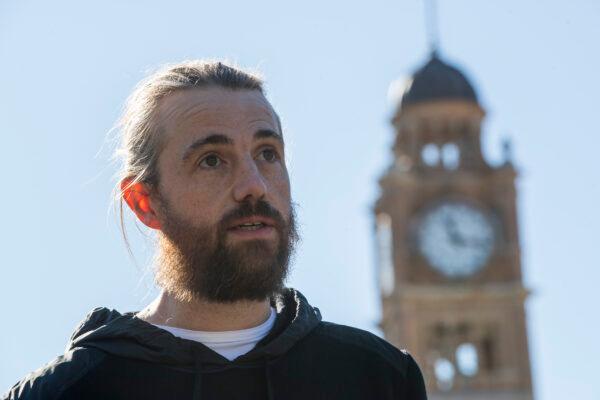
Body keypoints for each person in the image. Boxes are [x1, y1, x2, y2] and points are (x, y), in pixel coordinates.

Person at [3, 60, 427, 400]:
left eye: (267, 153)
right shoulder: (67, 391)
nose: (254, 186)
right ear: (144, 203)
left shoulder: (378, 378)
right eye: (211, 160)